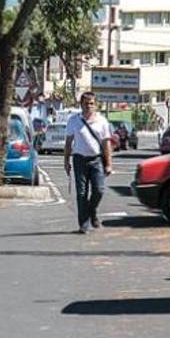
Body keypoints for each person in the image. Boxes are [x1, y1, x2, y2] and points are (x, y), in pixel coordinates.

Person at [64, 92, 113, 234]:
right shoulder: (74, 120)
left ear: (95, 105)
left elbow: (106, 143)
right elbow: (68, 143)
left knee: (99, 190)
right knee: (81, 193)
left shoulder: (102, 121)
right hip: (79, 159)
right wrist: (66, 161)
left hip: (96, 160)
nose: (89, 106)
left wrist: (109, 164)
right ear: (81, 104)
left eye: (92, 103)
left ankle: (92, 211)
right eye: (86, 103)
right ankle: (83, 224)